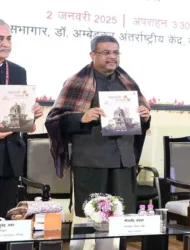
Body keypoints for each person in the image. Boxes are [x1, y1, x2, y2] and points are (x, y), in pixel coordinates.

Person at [45, 35, 150, 250]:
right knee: (88, 217)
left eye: (116, 52)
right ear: (92, 55)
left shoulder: (127, 82)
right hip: (91, 161)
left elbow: (141, 120)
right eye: (106, 52)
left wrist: (145, 116)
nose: (112, 57)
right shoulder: (76, 82)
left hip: (123, 161)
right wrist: (80, 117)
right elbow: (54, 121)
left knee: (120, 219)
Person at [0, 19, 43, 250]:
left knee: (5, 216)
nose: (6, 44)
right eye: (0, 39)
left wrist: (32, 114)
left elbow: (16, 113)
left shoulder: (17, 71)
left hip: (8, 156)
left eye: (9, 38)